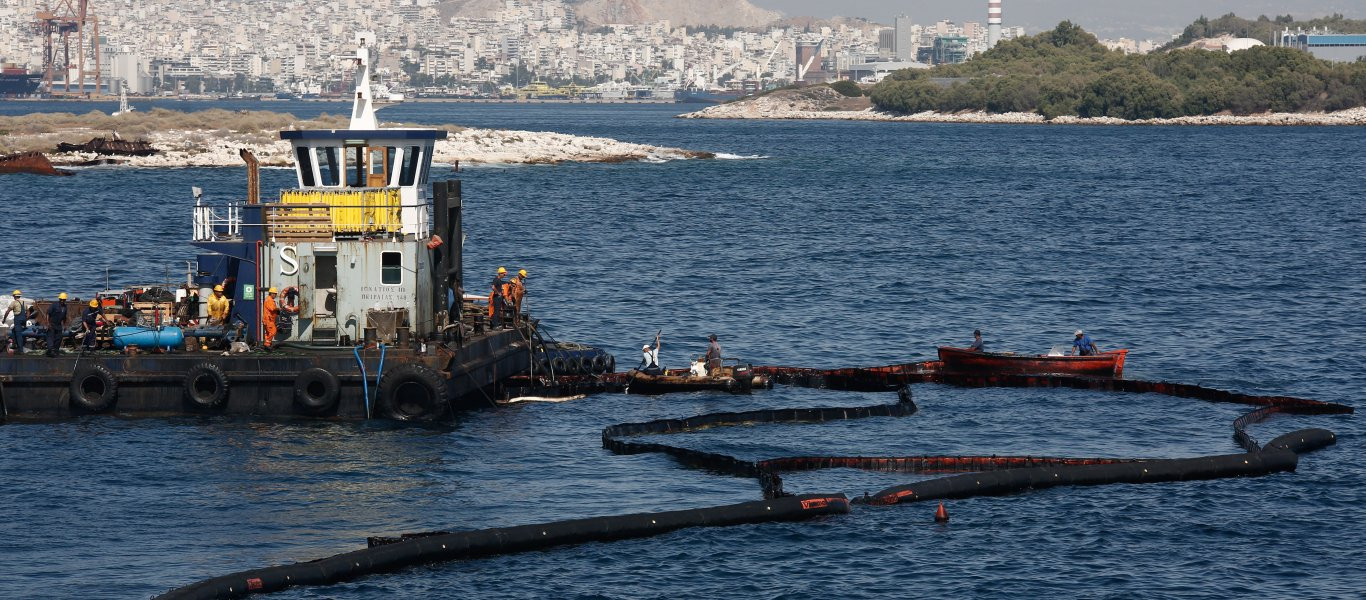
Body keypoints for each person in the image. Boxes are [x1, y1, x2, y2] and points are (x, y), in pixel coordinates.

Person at [46, 292, 69, 357]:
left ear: (65, 300)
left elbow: (64, 317)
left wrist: (64, 325)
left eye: (63, 300)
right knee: (50, 337)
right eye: (61, 299)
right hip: (52, 324)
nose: (62, 301)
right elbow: (48, 313)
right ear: (59, 299)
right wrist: (48, 323)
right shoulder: (54, 305)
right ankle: (51, 351)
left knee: (59, 338)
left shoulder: (65, 307)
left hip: (58, 325)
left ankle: (56, 350)